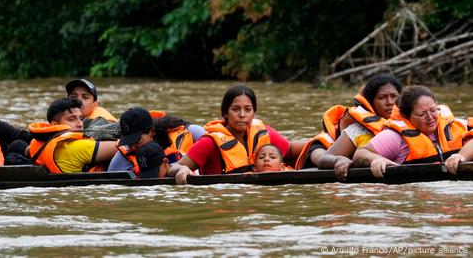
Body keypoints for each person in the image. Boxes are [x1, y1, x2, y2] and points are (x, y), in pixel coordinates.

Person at [168, 85, 305, 184]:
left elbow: (292, 149)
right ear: (225, 113)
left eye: (248, 109)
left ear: (254, 113)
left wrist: (321, 143)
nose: (242, 115)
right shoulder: (209, 143)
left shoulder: (264, 133)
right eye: (235, 109)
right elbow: (174, 167)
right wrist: (184, 169)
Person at [353, 85, 467, 178]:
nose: (430, 117)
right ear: (407, 116)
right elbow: (359, 154)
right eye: (422, 114)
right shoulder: (394, 137)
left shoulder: (454, 125)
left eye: (433, 111)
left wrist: (461, 156)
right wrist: (376, 159)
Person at [314, 74, 402, 180]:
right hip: (368, 184)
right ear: (371, 103)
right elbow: (323, 158)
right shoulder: (358, 130)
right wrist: (339, 160)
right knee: (315, 151)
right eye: (381, 98)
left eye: (394, 96)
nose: (390, 102)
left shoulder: (413, 123)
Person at [27, 98, 118, 173]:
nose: (80, 124)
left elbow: (27, 151)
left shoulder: (37, 141)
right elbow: (121, 146)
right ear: (55, 124)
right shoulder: (77, 147)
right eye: (71, 119)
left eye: (81, 118)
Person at [108, 107, 204, 175]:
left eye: (137, 140)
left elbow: (212, 141)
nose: (132, 147)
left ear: (152, 132)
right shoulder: (121, 160)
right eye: (128, 142)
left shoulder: (191, 132)